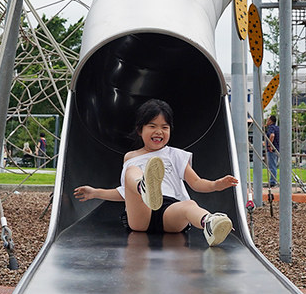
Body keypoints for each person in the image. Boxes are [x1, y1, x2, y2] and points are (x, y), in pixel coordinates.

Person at [73, 99, 238, 247]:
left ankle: (210, 223)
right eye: (152, 126)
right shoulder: (131, 157)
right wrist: (95, 192)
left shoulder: (175, 154)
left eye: (164, 127)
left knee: (189, 205)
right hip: (141, 210)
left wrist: (216, 184)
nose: (159, 131)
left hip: (170, 209)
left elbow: (196, 182)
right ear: (140, 130)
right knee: (133, 171)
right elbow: (123, 192)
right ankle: (144, 187)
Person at [264, 115, 279, 187]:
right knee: (274, 165)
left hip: (272, 150)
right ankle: (273, 180)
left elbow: (272, 135)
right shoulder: (277, 128)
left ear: (270, 121)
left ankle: (272, 182)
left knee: (272, 166)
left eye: (267, 120)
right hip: (277, 149)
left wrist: (269, 145)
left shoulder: (271, 128)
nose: (267, 121)